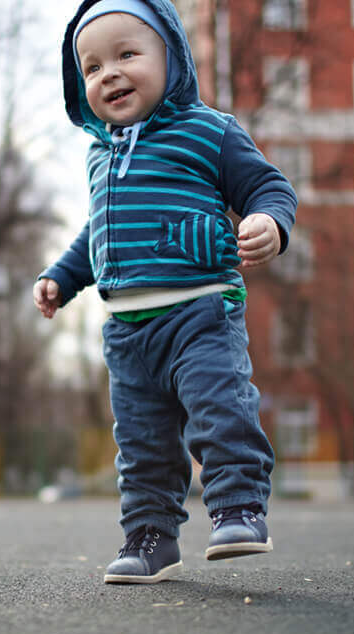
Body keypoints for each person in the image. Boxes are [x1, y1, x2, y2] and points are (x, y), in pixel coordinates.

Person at [33, 0, 297, 584]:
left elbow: (269, 187)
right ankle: (150, 538)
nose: (111, 73)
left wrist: (270, 224)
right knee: (141, 443)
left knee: (220, 410)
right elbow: (97, 232)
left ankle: (239, 509)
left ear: (171, 57)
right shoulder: (100, 155)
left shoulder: (210, 130)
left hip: (200, 310)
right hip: (127, 332)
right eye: (94, 67)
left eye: (128, 54)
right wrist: (61, 275)